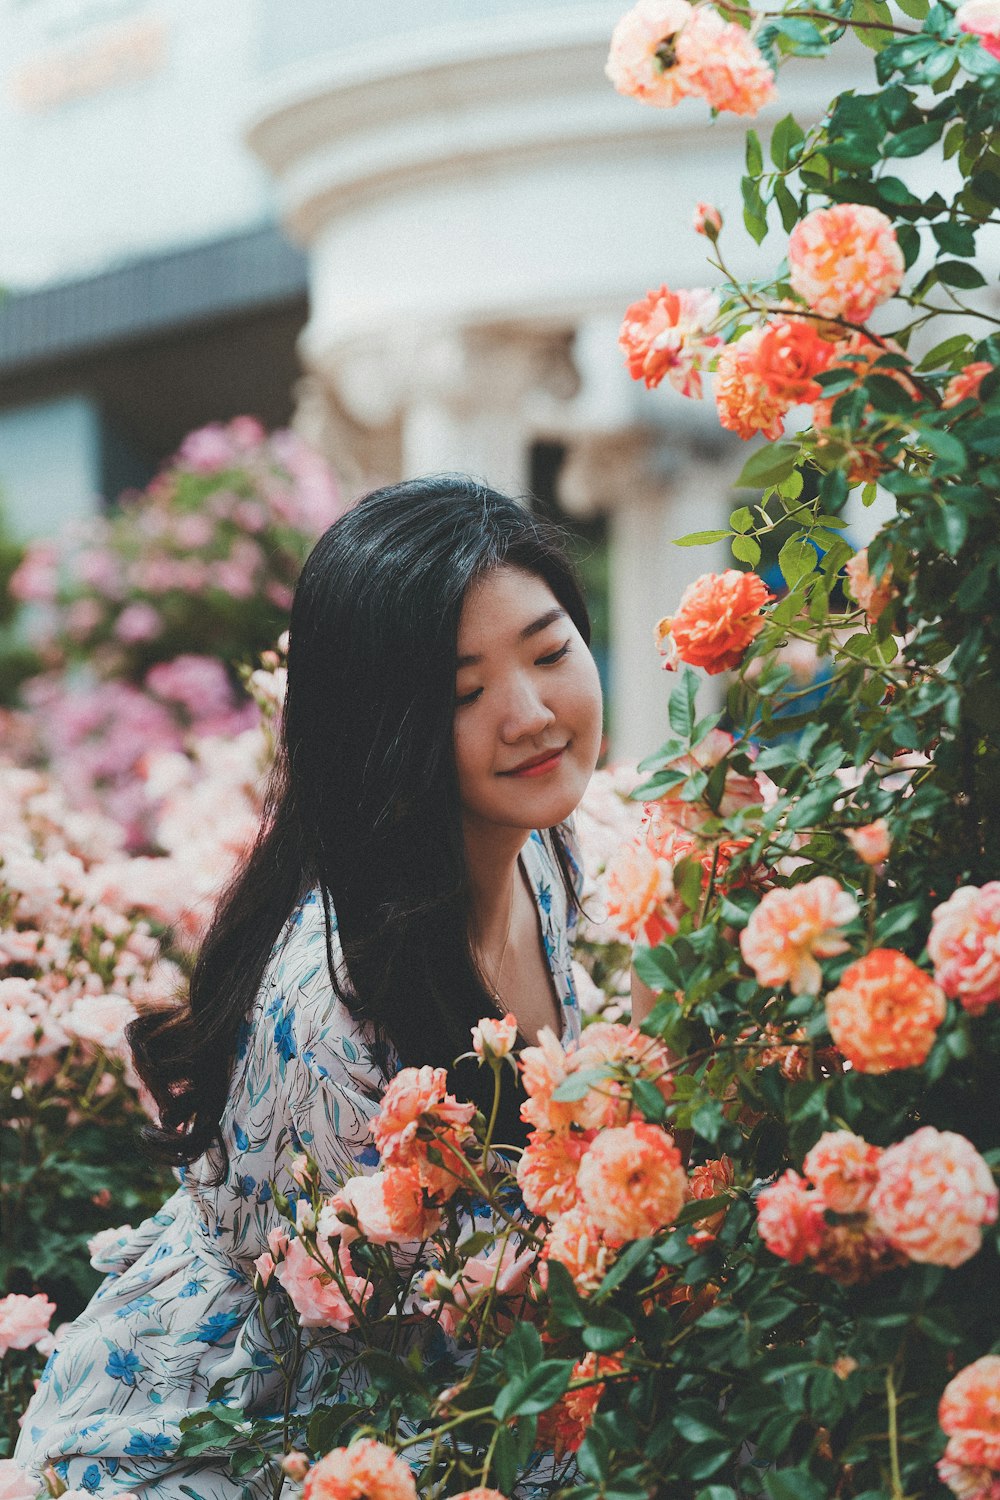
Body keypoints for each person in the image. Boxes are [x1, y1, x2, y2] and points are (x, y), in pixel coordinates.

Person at [14, 475, 604, 1499]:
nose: (531, 714)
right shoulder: (332, 1005)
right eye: (462, 694)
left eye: (550, 653)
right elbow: (347, 1341)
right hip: (256, 1428)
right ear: (381, 730)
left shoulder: (536, 845)